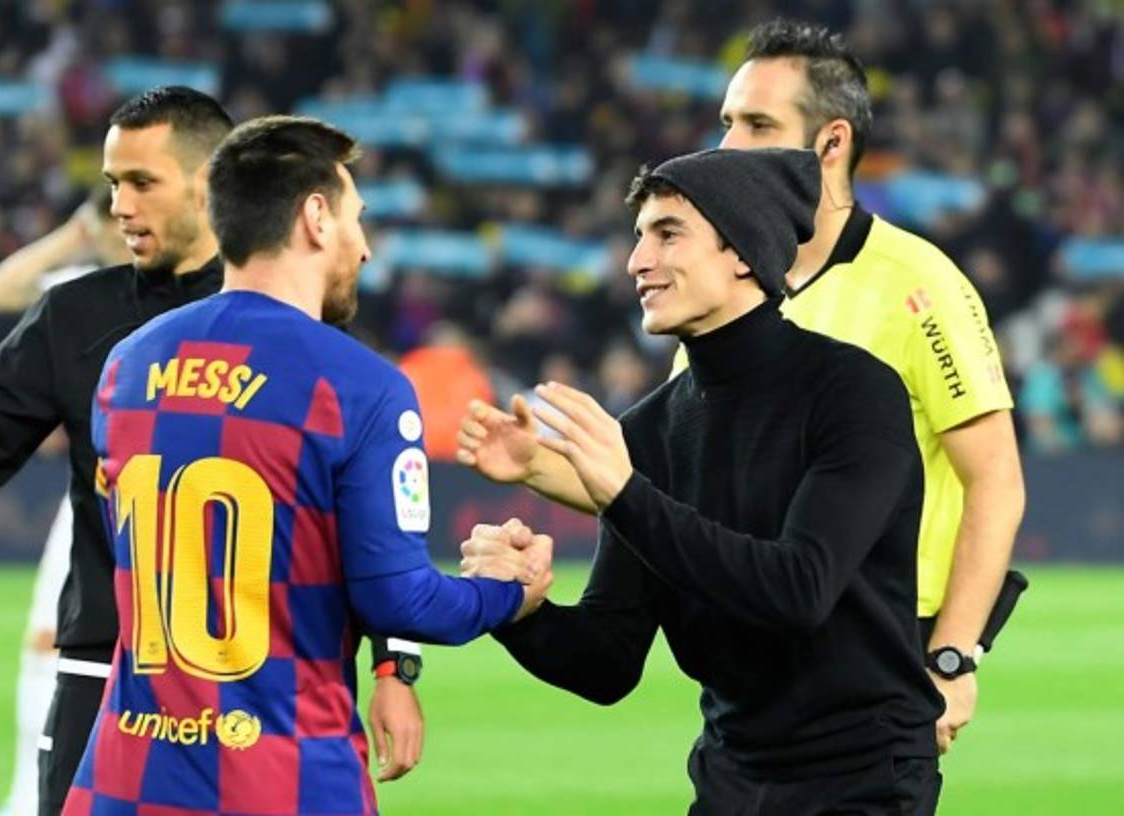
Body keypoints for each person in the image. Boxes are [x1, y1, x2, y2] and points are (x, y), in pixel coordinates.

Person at [458, 18, 1025, 754]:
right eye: (727, 121)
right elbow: (680, 486)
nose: (729, 145)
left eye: (758, 123)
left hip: (880, 635)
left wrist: (954, 655)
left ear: (831, 144)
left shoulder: (918, 285)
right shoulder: (706, 316)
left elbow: (997, 481)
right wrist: (537, 469)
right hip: (750, 650)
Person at [0, 87, 423, 816]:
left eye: (142, 183)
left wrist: (395, 666)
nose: (119, 206)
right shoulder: (74, 316)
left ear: (212, 184)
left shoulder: (299, 326)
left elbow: (365, 528)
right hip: (109, 678)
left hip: (264, 689)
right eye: (113, 184)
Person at [64, 114, 551, 816]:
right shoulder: (359, 387)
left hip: (124, 779)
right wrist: (509, 591)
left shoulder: (127, 366)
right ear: (316, 217)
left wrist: (388, 663)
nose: (366, 249)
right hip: (280, 779)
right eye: (359, 217)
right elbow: (402, 599)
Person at [464, 147, 943, 814]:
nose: (636, 262)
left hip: (862, 778)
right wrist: (518, 608)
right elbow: (607, 662)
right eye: (638, 239)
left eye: (667, 233)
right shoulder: (653, 427)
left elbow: (798, 590)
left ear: (743, 250)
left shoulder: (854, 392)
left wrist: (626, 496)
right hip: (730, 776)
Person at [0, 185, 128, 816]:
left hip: (162, 491)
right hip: (90, 495)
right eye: (116, 214)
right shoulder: (83, 295)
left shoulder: (197, 288)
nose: (128, 227)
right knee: (55, 648)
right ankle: (32, 796)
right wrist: (75, 234)